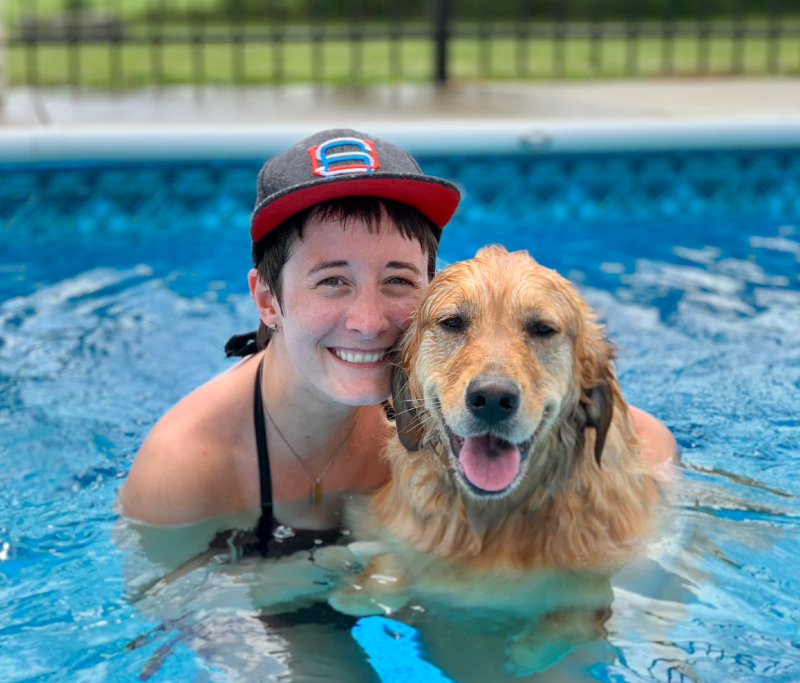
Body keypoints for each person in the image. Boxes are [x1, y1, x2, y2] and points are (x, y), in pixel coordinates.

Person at [120, 127, 675, 557]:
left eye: (398, 282)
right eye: (332, 281)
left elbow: (638, 436)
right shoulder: (185, 470)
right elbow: (178, 618)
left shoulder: (432, 389)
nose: (369, 321)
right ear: (268, 300)